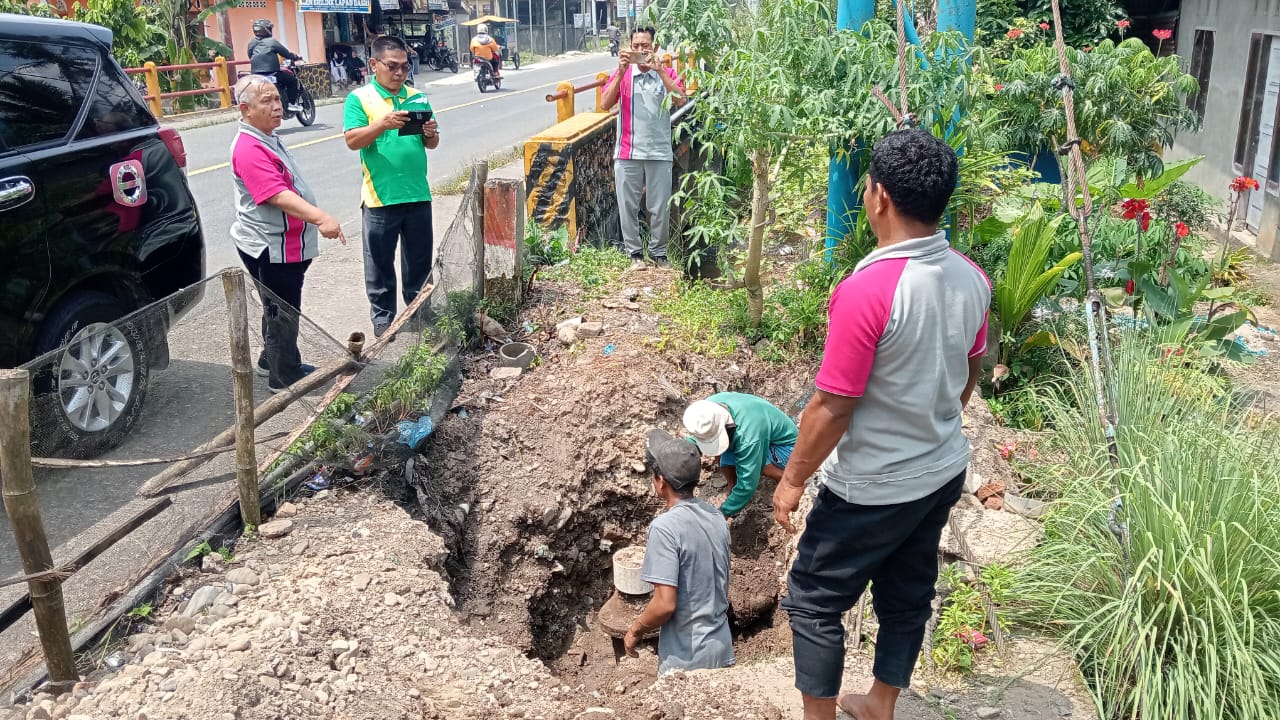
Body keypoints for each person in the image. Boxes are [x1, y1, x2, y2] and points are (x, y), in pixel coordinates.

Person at [771, 129, 991, 720]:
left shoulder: (868, 290)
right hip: (940, 469)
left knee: (814, 599)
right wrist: (933, 417)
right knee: (907, 590)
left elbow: (832, 405)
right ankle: (880, 703)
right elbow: (970, 370)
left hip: (873, 486)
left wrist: (792, 481)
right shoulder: (972, 277)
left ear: (879, 198)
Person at [229, 75, 346, 393]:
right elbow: (275, 194)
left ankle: (273, 358)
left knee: (277, 304)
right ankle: (284, 375)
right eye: (267, 101)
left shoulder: (265, 136)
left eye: (277, 99)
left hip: (285, 241)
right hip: (270, 244)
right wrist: (321, 217)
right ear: (245, 108)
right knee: (282, 308)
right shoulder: (249, 147)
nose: (277, 106)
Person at [343, 35, 441, 339]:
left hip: (417, 194)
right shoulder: (359, 99)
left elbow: (432, 143)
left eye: (404, 66)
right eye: (392, 66)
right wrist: (382, 124)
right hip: (380, 198)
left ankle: (420, 310)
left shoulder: (418, 97)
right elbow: (352, 140)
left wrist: (430, 132)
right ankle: (383, 319)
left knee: (419, 263)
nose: (399, 73)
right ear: (374, 65)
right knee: (380, 264)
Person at [624, 429, 735, 675]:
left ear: (660, 481)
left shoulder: (664, 528)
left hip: (687, 659)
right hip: (722, 649)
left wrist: (636, 630)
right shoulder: (715, 516)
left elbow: (664, 605)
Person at [601, 26, 685, 270]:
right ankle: (634, 254)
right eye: (635, 46)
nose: (640, 50)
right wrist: (619, 72)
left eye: (645, 46)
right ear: (629, 47)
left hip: (659, 152)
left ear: (655, 48)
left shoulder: (666, 72)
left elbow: (681, 99)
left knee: (659, 207)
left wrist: (661, 72)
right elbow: (605, 104)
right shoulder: (624, 75)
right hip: (627, 152)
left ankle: (659, 254)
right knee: (627, 206)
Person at [683, 393, 799, 519]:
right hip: (761, 435)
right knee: (724, 449)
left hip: (788, 448)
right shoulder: (709, 409)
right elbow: (698, 439)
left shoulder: (748, 438)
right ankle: (732, 487)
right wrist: (678, 450)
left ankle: (787, 482)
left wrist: (722, 513)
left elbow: (747, 486)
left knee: (756, 464)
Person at [247, 19, 303, 113]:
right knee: (292, 81)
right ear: (267, 30)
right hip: (272, 73)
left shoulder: (251, 43)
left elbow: (250, 55)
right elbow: (286, 54)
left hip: (256, 75)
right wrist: (295, 57)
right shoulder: (272, 42)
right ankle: (292, 104)